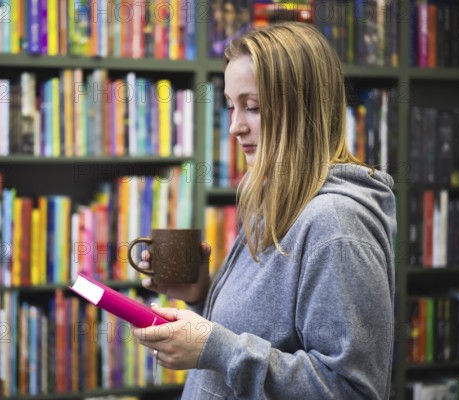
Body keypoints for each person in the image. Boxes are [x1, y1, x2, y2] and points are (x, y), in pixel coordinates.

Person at [133, 22, 396, 399]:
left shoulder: (338, 225)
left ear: (303, 108)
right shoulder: (276, 199)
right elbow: (267, 333)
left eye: (252, 107)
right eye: (231, 106)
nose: (235, 127)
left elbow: (352, 391)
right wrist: (200, 295)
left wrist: (216, 350)